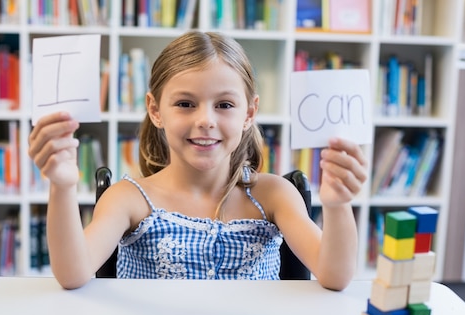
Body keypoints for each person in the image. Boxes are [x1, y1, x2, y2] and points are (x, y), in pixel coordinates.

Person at [28, 31, 368, 290]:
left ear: (249, 113)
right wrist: (62, 186)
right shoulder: (129, 198)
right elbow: (73, 274)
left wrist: (338, 205)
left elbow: (335, 276)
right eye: (186, 104)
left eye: (224, 105)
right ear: (155, 110)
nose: (206, 120)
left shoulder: (274, 195)